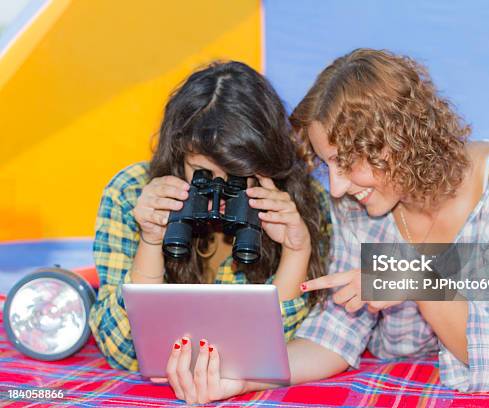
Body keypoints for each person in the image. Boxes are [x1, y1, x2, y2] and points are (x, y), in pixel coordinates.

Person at [290, 48, 489, 392]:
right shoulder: (359, 206)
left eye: (346, 161)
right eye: (329, 166)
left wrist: (417, 280)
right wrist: (239, 378)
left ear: (396, 140)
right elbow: (334, 334)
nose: (337, 189)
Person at [88, 61, 332, 404]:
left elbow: (275, 354)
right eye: (202, 173)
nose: (218, 194)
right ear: (179, 156)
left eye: (235, 175)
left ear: (266, 163)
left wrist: (295, 251)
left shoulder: (307, 203)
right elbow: (122, 350)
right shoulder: (131, 192)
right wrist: (152, 240)